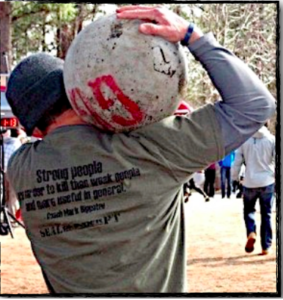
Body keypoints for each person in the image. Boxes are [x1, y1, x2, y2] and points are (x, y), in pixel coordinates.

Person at [5, 6, 275, 293]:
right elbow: (256, 105)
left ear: (33, 129)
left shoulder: (21, 168)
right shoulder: (152, 148)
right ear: (78, 86)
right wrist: (192, 36)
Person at [232, 122, 275, 255]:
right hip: (267, 181)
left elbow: (237, 161)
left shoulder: (244, 140)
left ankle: (251, 232)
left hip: (249, 182)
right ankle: (265, 246)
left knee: (249, 210)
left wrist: (235, 178)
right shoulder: (272, 139)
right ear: (266, 125)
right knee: (266, 214)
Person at [1, 129, 22, 220]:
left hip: (4, 172)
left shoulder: (4, 145)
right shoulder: (17, 144)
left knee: (5, 195)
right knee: (13, 197)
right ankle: (13, 217)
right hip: (15, 173)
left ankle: (6, 216)